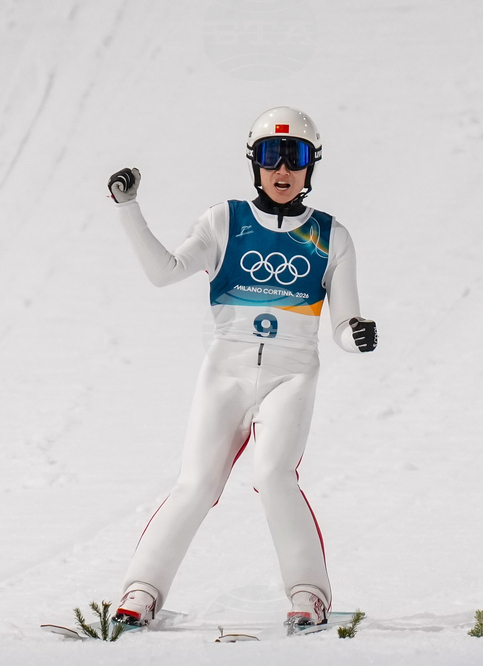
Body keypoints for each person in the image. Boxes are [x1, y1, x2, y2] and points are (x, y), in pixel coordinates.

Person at [106, 106, 377, 630]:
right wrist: (128, 207)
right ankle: (140, 593)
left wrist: (355, 335)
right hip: (225, 371)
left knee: (274, 476)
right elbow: (165, 273)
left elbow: (344, 321)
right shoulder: (224, 220)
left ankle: (308, 595)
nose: (282, 170)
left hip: (291, 373)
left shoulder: (331, 236)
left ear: (310, 166)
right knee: (197, 482)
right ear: (254, 162)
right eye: (270, 156)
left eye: (294, 157)